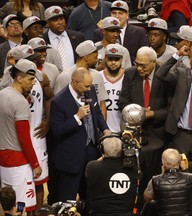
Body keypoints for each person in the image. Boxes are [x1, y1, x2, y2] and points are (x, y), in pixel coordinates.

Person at [119, 46, 171, 207]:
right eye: (137, 64)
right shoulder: (130, 73)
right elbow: (123, 101)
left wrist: (153, 114)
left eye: (143, 65)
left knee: (155, 178)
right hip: (135, 134)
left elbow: (172, 108)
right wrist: (136, 113)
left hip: (159, 134)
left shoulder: (165, 75)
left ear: (154, 62)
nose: (139, 68)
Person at [50, 67, 110, 202]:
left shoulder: (91, 91)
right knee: (68, 199)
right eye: (86, 86)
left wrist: (105, 129)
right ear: (75, 83)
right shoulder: (59, 101)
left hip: (91, 152)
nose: (89, 89)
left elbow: (97, 113)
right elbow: (57, 130)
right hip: (71, 157)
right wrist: (77, 117)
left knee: (90, 195)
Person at [0, 59, 42, 212]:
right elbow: (24, 139)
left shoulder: (2, 94)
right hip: (18, 162)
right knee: (22, 208)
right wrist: (35, 164)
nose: (33, 83)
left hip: (3, 161)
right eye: (30, 79)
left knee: (8, 206)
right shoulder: (20, 102)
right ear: (19, 78)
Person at [53, 40, 108, 119]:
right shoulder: (65, 76)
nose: (97, 60)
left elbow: (102, 104)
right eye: (95, 57)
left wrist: (103, 129)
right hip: (73, 123)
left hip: (94, 124)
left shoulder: (97, 75)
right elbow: (57, 106)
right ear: (86, 57)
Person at [85, 136, 138, 215]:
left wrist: (104, 155)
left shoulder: (92, 167)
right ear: (122, 150)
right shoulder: (133, 168)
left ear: (102, 149)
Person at [144, 148, 192, 216]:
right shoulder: (189, 178)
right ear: (179, 161)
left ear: (163, 162)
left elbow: (147, 198)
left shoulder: (155, 180)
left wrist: (162, 175)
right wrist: (185, 170)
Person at [43, 6, 85, 71]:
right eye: (55, 20)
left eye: (61, 18)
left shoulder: (78, 37)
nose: (60, 22)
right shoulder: (43, 41)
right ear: (47, 23)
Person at [99, 43, 125, 132]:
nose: (113, 62)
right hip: (103, 130)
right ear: (105, 59)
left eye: (116, 59)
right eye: (110, 59)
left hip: (124, 129)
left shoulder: (128, 77)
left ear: (122, 59)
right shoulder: (98, 77)